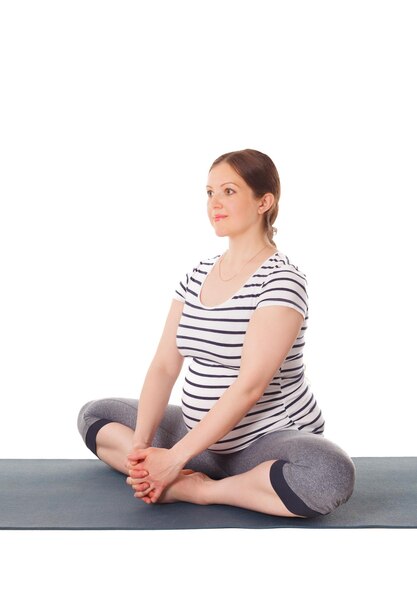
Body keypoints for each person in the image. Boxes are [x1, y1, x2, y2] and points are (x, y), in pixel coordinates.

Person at [77, 148, 355, 518]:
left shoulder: (281, 280)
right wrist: (142, 452)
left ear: (264, 201)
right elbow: (164, 365)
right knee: (95, 416)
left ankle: (202, 489)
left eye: (229, 191)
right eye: (209, 193)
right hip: (200, 440)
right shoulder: (197, 275)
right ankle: (209, 478)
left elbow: (250, 385)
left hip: (264, 441)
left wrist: (175, 458)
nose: (214, 203)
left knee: (328, 474)